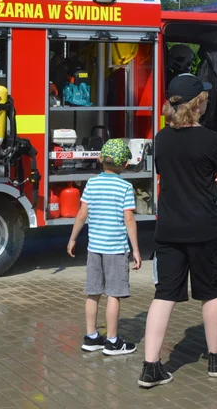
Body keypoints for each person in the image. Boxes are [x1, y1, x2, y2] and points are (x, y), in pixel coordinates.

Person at [139, 74, 217, 389]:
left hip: (168, 228)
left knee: (163, 295)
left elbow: (170, 172)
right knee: (211, 293)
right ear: (198, 103)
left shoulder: (161, 138)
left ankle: (151, 367)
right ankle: (216, 360)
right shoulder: (211, 140)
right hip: (203, 228)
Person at [67, 139, 142, 356]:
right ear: (126, 165)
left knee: (93, 292)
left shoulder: (91, 184)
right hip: (116, 250)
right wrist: (135, 249)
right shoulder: (125, 187)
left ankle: (91, 337)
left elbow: (82, 214)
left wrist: (72, 239)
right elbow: (129, 220)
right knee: (114, 294)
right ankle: (112, 341)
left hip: (94, 248)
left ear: (100, 159)